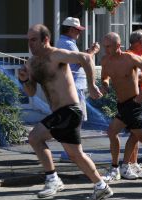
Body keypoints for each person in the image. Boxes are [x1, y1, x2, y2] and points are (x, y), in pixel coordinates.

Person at [18, 24, 113, 200]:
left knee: (35, 137)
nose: (30, 44)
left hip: (69, 110)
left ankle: (53, 179)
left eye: (34, 40)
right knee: (75, 155)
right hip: (60, 113)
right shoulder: (32, 63)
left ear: (45, 39)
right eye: (28, 40)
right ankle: (101, 187)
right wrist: (23, 80)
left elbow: (85, 57)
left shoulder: (56, 55)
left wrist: (92, 85)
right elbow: (31, 92)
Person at [100, 32, 142, 183]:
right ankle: (115, 168)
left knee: (140, 137)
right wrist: (105, 85)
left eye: (109, 47)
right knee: (114, 133)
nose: (106, 49)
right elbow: (104, 76)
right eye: (104, 46)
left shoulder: (129, 58)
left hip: (134, 103)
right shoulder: (105, 60)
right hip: (122, 105)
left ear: (118, 46)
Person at [56, 17, 100, 161]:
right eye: (78, 30)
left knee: (73, 121)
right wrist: (92, 52)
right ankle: (73, 153)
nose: (79, 33)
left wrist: (87, 52)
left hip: (72, 87)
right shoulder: (67, 43)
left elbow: (77, 59)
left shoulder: (65, 42)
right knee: (75, 121)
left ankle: (73, 152)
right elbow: (81, 62)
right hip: (73, 88)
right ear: (71, 30)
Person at [115, 29, 142, 180]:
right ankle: (125, 165)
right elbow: (136, 77)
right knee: (136, 133)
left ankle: (133, 163)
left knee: (136, 134)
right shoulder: (130, 56)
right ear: (138, 43)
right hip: (135, 100)